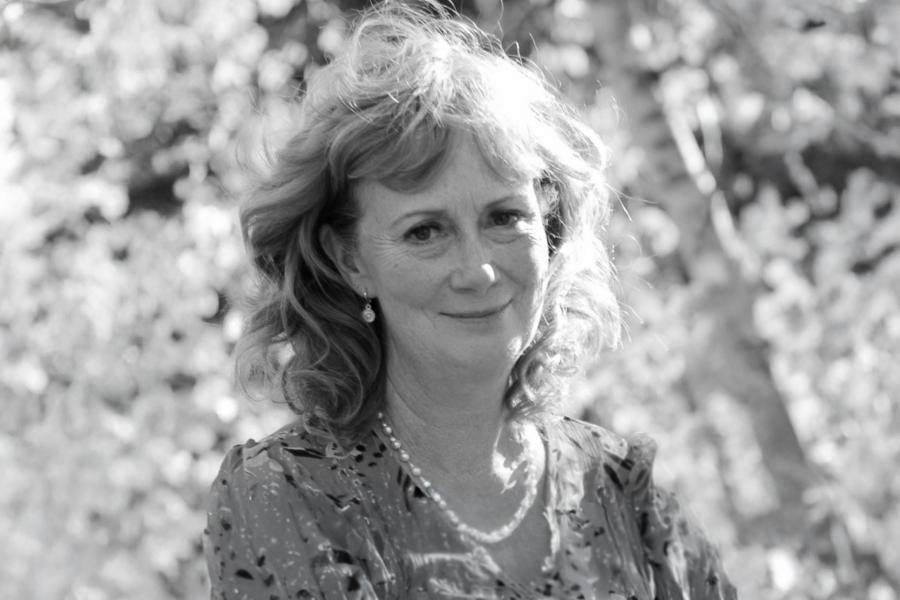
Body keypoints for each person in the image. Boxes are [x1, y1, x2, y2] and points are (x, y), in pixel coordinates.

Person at [204, 1, 737, 598]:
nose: (479, 270)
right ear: (350, 260)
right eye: (425, 231)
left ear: (548, 229)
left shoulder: (628, 499)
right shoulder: (290, 497)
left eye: (504, 217)